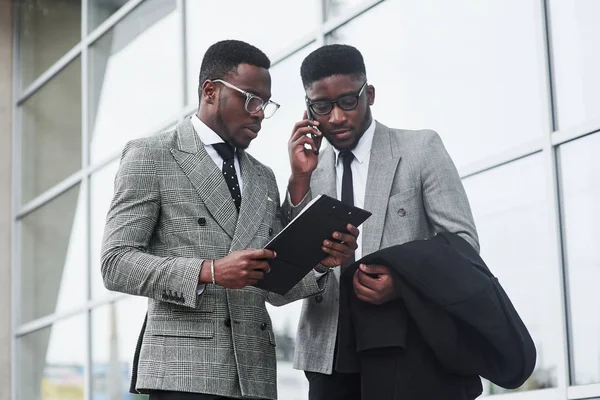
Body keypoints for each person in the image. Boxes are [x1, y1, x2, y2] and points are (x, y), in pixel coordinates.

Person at [101, 40, 358, 400]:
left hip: (255, 373)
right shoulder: (152, 155)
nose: (259, 114)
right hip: (184, 372)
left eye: (265, 104)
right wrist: (210, 271)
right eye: (251, 99)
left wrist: (319, 259)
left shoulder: (262, 177)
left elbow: (274, 284)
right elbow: (115, 264)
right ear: (210, 91)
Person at [284, 44, 479, 400]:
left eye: (348, 101)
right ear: (308, 109)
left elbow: (463, 243)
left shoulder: (420, 149)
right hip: (329, 351)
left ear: (368, 94)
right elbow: (285, 271)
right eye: (322, 107)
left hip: (405, 341)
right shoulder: (308, 170)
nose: (337, 118)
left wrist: (403, 283)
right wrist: (298, 180)